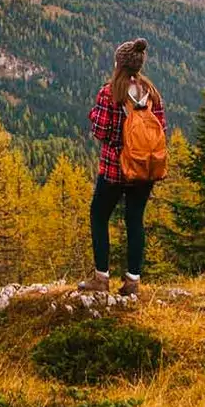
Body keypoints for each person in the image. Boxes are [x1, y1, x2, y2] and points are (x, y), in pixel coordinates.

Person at [78, 38, 164, 297]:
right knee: (135, 221)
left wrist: (94, 115)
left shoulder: (110, 92)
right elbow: (160, 129)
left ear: (120, 63)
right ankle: (133, 281)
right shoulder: (151, 92)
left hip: (115, 169)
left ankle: (101, 278)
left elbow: (102, 131)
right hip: (144, 169)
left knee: (99, 215)